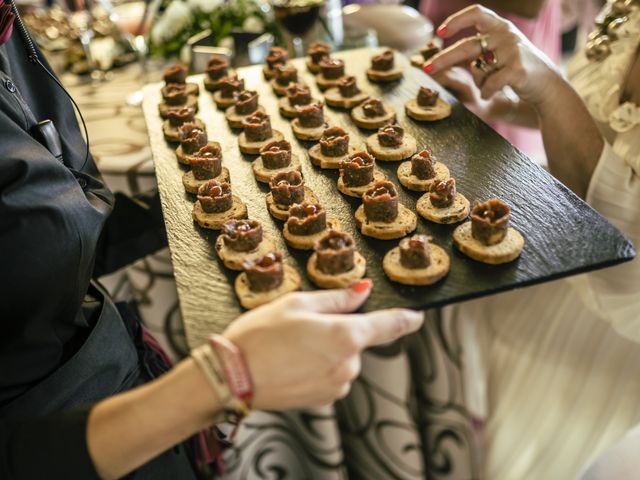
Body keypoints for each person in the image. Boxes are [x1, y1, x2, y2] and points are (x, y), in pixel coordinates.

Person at [0, 2, 424, 478]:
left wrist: (214, 200)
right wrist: (211, 387)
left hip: (121, 385)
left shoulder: (8, 30)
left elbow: (49, 239)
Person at [424, 3, 640, 479]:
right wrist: (496, 103)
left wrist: (548, 86)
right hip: (543, 253)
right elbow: (594, 115)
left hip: (606, 327)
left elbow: (626, 250)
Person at [420, 0, 561, 165]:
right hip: (455, 21)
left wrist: (494, 106)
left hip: (502, 31)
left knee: (486, 157)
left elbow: (530, 6)